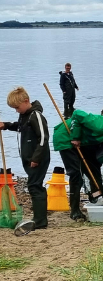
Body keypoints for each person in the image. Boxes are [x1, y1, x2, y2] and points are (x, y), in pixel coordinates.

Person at [52, 110, 103, 220]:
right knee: (76, 174)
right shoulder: (101, 125)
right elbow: (77, 114)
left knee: (94, 168)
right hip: (66, 136)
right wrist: (75, 137)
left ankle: (96, 196)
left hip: (83, 143)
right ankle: (74, 210)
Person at [0, 87, 50, 229]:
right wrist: (6, 125)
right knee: (33, 185)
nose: (17, 110)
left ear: (26, 101)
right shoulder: (24, 116)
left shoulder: (36, 115)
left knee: (35, 186)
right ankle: (38, 218)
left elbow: (43, 138)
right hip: (29, 158)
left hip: (38, 158)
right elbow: (20, 127)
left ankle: (40, 221)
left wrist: (36, 158)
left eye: (17, 107)